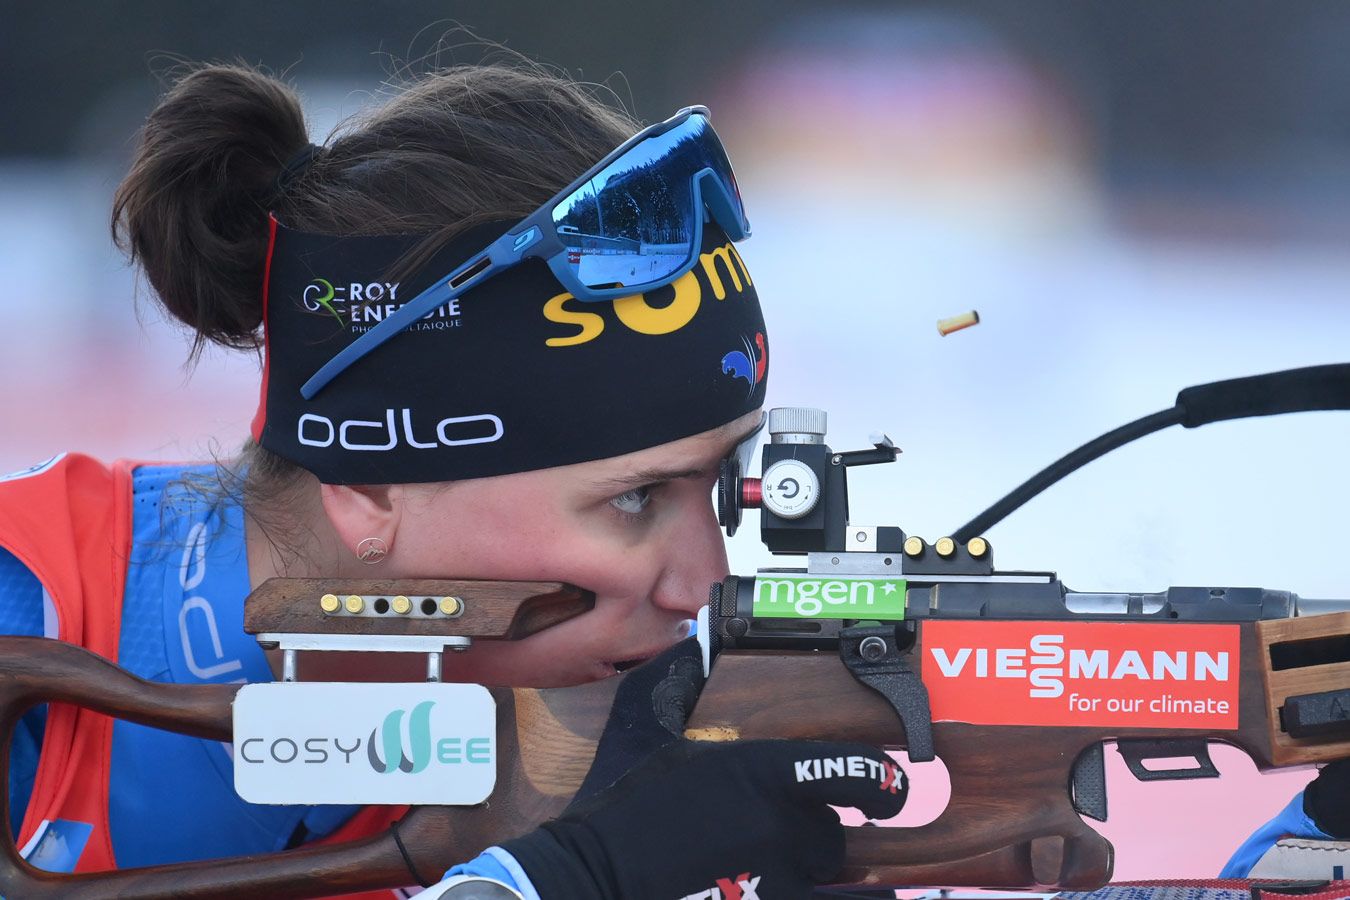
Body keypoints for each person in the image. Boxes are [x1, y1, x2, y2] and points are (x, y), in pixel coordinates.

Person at [0, 61, 907, 899]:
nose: (705, 583)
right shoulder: (31, 605)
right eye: (634, 498)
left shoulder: (598, 752)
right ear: (372, 486)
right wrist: (550, 883)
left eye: (722, 483)